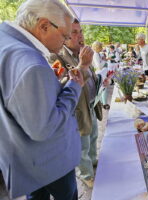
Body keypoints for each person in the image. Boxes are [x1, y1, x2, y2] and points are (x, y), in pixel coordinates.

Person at [0, 0, 94, 199]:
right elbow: (44, 127)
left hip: (26, 160)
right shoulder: (30, 62)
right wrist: (74, 87)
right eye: (65, 36)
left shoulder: (6, 42)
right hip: (50, 159)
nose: (65, 41)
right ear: (43, 26)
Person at [50, 19, 104, 189]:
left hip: (90, 104)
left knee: (93, 135)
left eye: (80, 31)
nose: (80, 35)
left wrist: (100, 79)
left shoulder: (82, 51)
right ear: (64, 36)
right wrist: (82, 65)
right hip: (76, 110)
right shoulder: (56, 55)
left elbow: (91, 76)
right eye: (74, 32)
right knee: (82, 144)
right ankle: (86, 175)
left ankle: (94, 162)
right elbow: (61, 86)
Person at [92, 41, 110, 110]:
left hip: (101, 73)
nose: (102, 48)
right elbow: (99, 66)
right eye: (101, 47)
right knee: (103, 88)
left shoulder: (98, 54)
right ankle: (104, 103)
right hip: (99, 73)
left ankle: (103, 103)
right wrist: (104, 61)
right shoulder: (95, 54)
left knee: (103, 88)